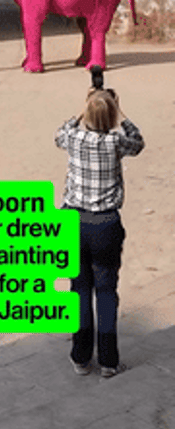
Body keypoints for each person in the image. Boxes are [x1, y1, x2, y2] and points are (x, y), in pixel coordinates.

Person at [55, 88, 145, 378]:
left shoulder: (74, 138)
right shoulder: (117, 141)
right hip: (105, 223)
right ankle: (108, 360)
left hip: (73, 220)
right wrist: (119, 112)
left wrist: (85, 108)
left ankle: (81, 357)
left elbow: (60, 132)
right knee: (106, 292)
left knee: (79, 290)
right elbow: (139, 142)